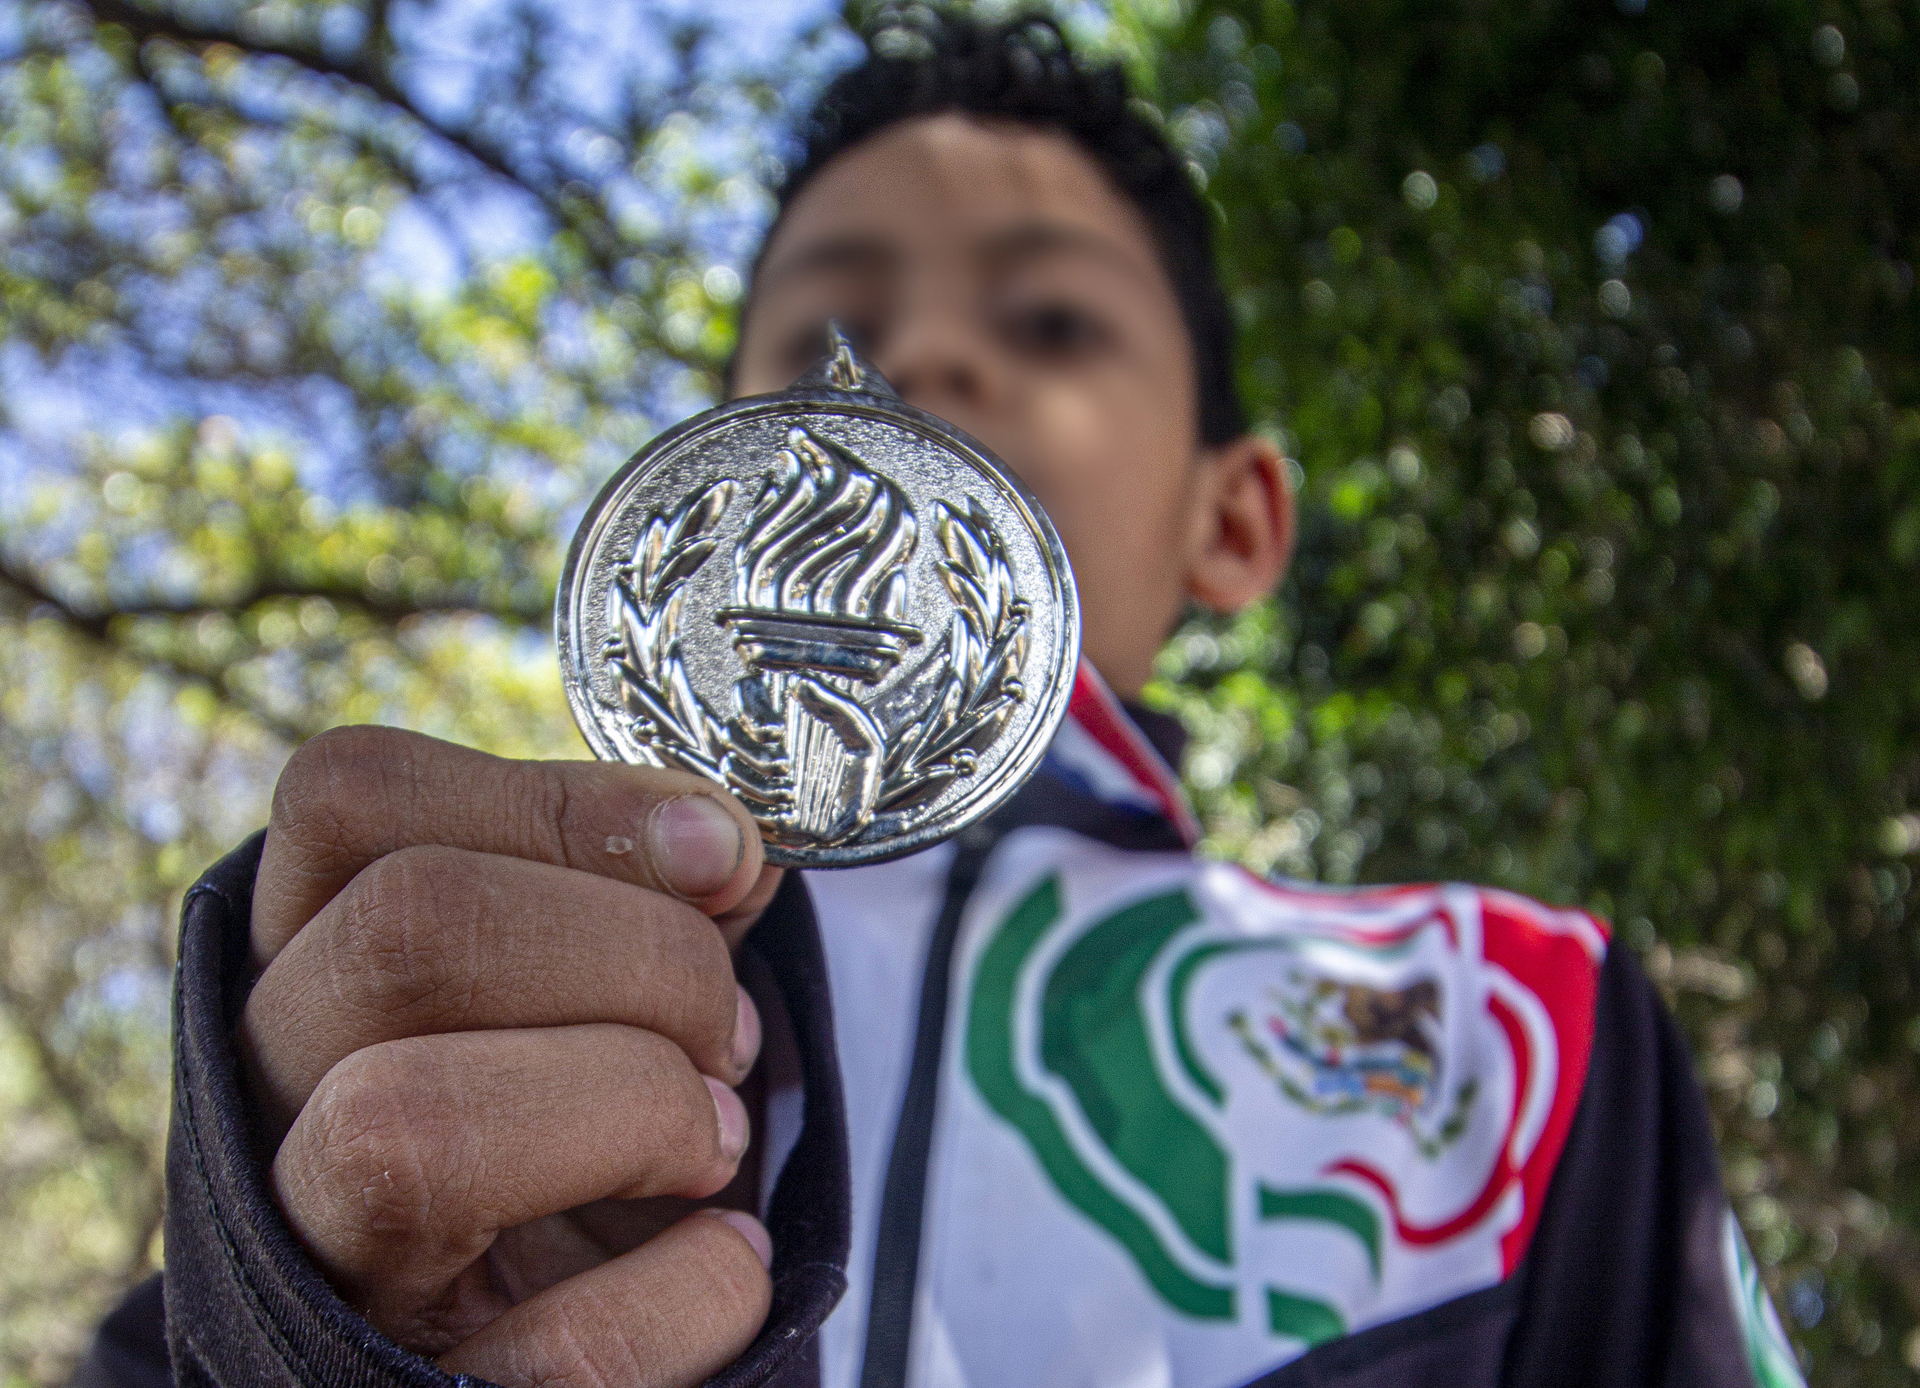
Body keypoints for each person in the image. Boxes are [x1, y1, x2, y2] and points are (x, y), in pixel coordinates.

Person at [76, 10, 1805, 1388]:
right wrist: (304, 1321)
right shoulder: (432, 1038)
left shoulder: (1506, 1036)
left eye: (1049, 319)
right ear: (714, 472)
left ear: (1236, 520)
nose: (915, 368)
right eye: (826, 324)